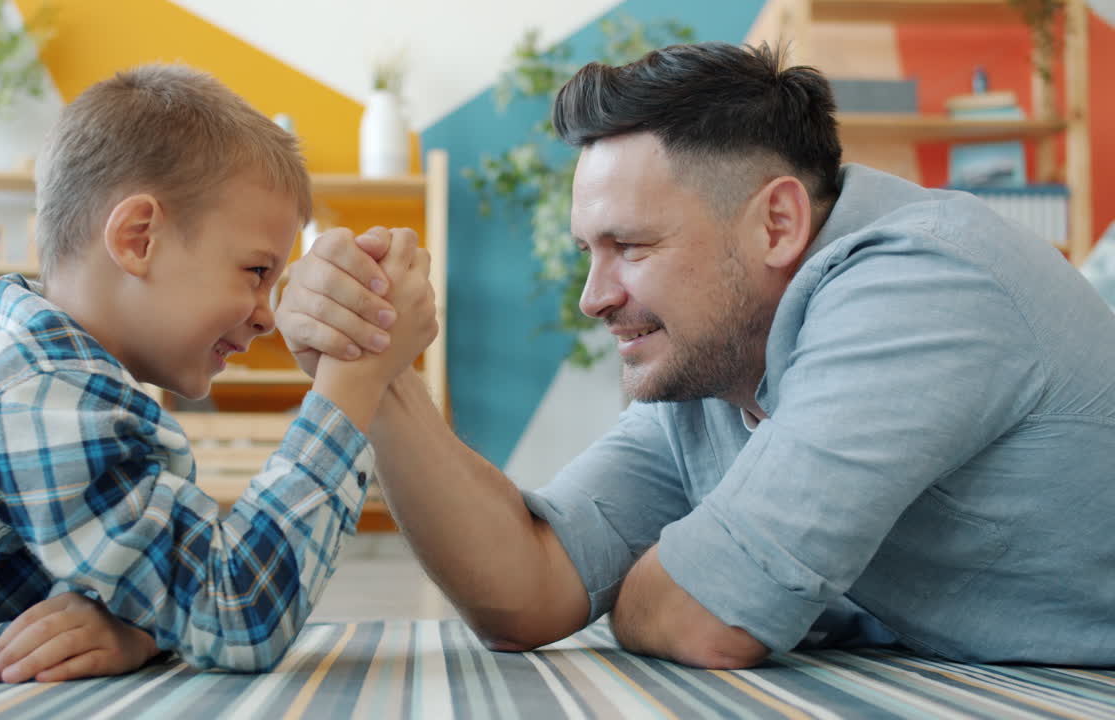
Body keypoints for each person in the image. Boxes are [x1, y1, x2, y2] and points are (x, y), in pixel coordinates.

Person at [275, 42, 1115, 668]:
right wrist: (373, 366)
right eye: (587, 252)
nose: (593, 297)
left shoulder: (920, 286)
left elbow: (703, 618)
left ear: (777, 224)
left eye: (631, 247)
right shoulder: (717, 368)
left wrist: (686, 575)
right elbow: (524, 594)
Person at [0, 64, 437, 681]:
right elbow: (234, 610)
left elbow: (175, 591)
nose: (268, 316)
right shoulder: (37, 394)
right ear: (138, 237)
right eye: (257, 272)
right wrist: (352, 382)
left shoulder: (51, 378)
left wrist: (140, 628)